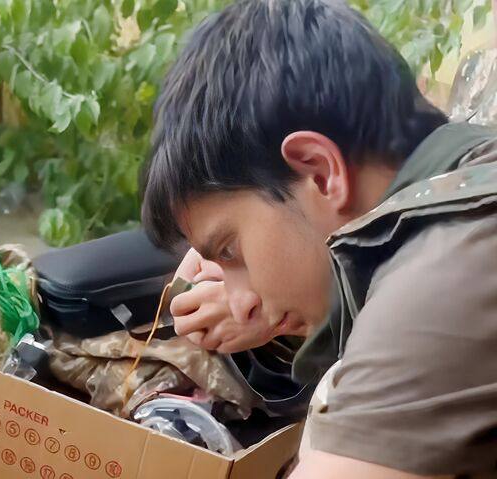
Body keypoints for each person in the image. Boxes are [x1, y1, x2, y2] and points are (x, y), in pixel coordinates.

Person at [141, 0, 497, 477]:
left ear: (321, 172)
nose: (240, 304)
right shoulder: (463, 187)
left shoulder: (446, 272)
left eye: (230, 250)